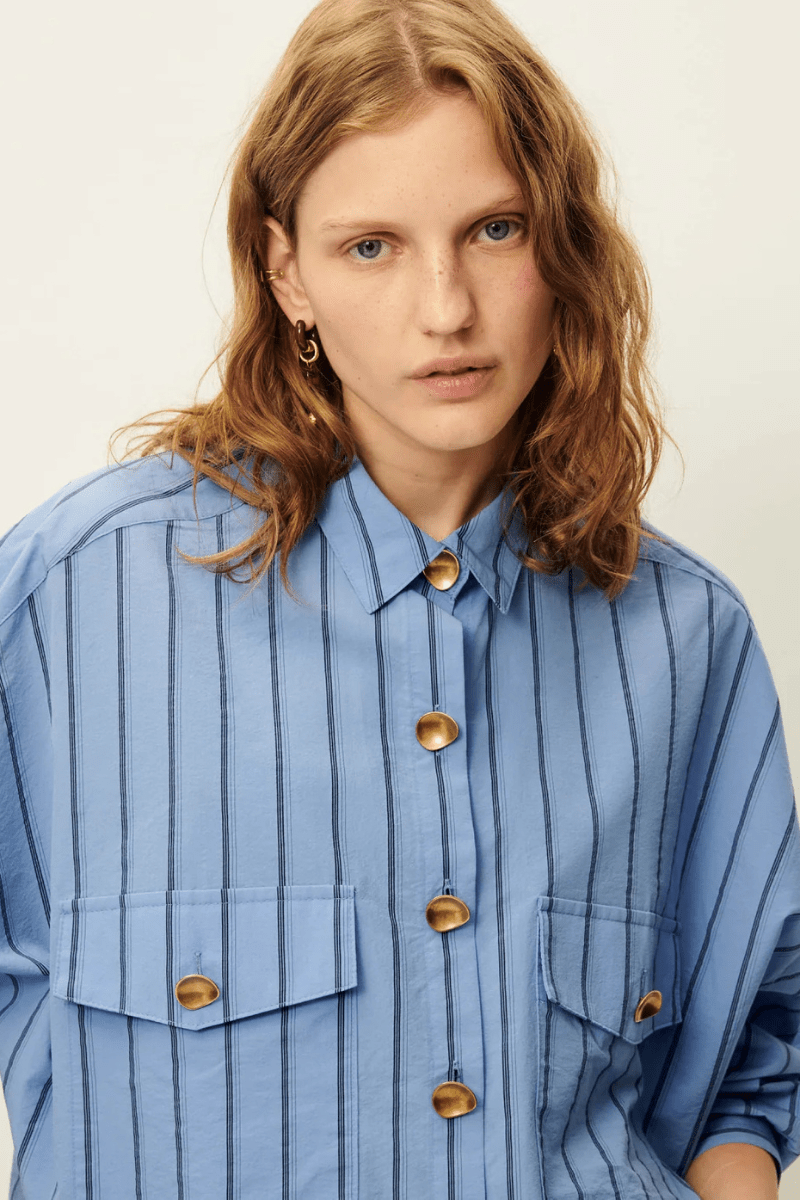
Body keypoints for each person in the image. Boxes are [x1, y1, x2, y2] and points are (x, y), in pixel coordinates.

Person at [0, 0, 797, 1196]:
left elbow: (750, 1057)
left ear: (564, 246)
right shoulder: (71, 601)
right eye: (370, 246)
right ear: (287, 272)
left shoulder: (685, 639)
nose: (446, 308)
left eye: (494, 229)